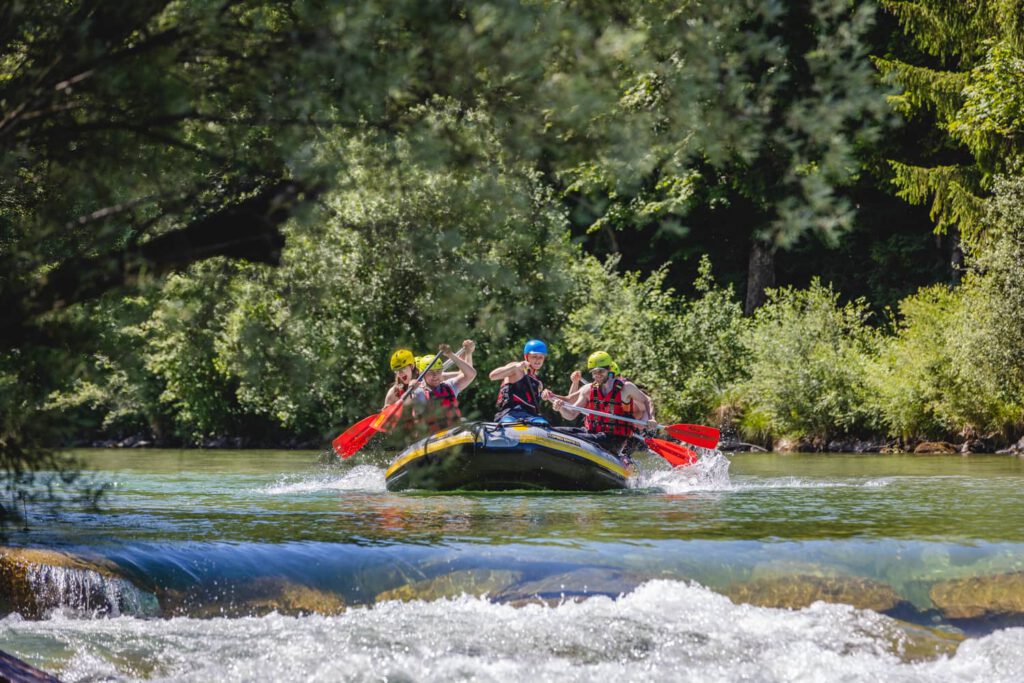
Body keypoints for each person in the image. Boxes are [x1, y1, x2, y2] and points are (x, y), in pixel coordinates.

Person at [546, 350, 656, 459]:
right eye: (594, 372)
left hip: (613, 439)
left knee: (574, 438)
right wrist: (559, 407)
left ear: (609, 369)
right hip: (591, 432)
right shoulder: (588, 390)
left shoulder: (626, 388)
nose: (597, 375)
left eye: (601, 371)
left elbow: (647, 400)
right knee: (555, 431)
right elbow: (571, 415)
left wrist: (651, 418)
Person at [410, 340, 477, 432]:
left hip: (453, 432)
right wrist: (413, 387)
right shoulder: (419, 391)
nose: (435, 376)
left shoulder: (449, 386)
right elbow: (418, 413)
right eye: (430, 372)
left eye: (438, 371)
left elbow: (471, 374)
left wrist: (451, 355)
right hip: (432, 437)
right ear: (422, 373)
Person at [489, 339, 549, 424]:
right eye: (534, 356)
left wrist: (545, 396)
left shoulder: (538, 382)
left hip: (531, 416)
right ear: (526, 357)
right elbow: (492, 376)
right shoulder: (516, 368)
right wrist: (515, 367)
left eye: (541, 357)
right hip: (511, 413)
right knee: (508, 423)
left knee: (543, 423)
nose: (538, 360)